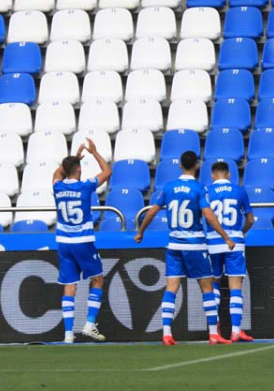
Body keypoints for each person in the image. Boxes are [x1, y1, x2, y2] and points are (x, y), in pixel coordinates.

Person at [134, 151, 235, 346]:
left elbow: (152, 211)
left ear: (180, 165)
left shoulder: (168, 187)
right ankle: (213, 333)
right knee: (206, 287)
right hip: (195, 245)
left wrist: (141, 231)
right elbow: (208, 215)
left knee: (171, 288)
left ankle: (166, 333)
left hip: (174, 245)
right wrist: (226, 237)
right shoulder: (199, 188)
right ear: (197, 166)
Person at [52, 138, 112, 344]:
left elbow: (56, 173)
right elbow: (107, 171)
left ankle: (68, 335)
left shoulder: (58, 187)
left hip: (64, 243)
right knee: (97, 279)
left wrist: (73, 159)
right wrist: (94, 152)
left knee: (69, 285)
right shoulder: (85, 186)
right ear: (78, 170)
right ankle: (89, 324)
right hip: (83, 241)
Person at [205, 161, 255, 343]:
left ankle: (215, 329)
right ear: (228, 174)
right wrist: (240, 233)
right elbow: (250, 219)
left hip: (213, 242)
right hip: (235, 241)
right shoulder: (239, 191)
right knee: (235, 286)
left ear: (212, 175)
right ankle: (235, 330)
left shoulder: (207, 191)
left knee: (214, 284)